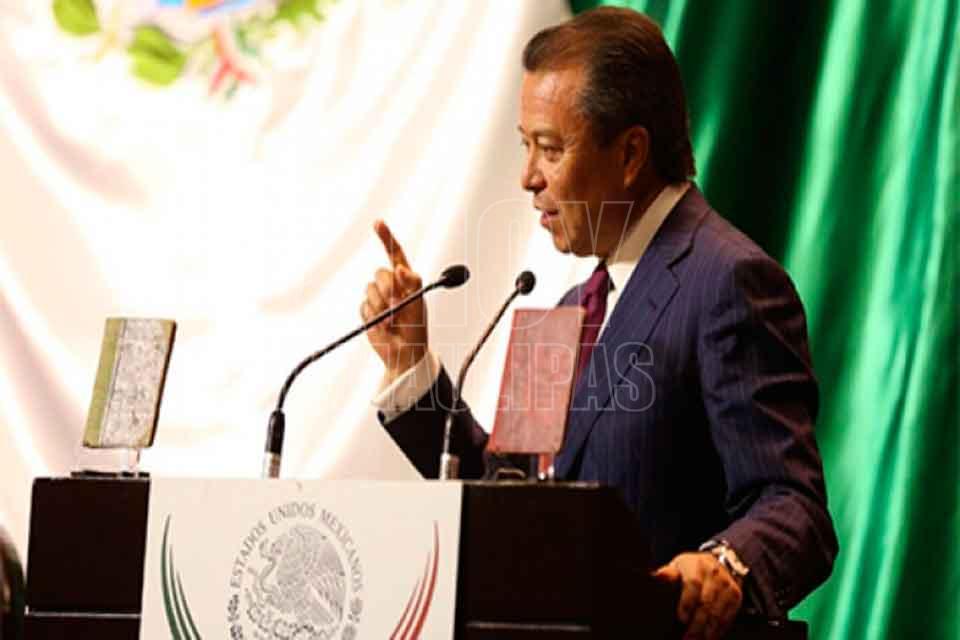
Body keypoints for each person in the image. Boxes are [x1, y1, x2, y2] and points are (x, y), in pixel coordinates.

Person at [360, 7, 837, 639]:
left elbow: (794, 505)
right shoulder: (563, 312)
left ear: (631, 153)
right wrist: (412, 368)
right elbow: (503, 499)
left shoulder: (728, 281)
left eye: (550, 148)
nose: (528, 177)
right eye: (525, 145)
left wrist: (725, 564)